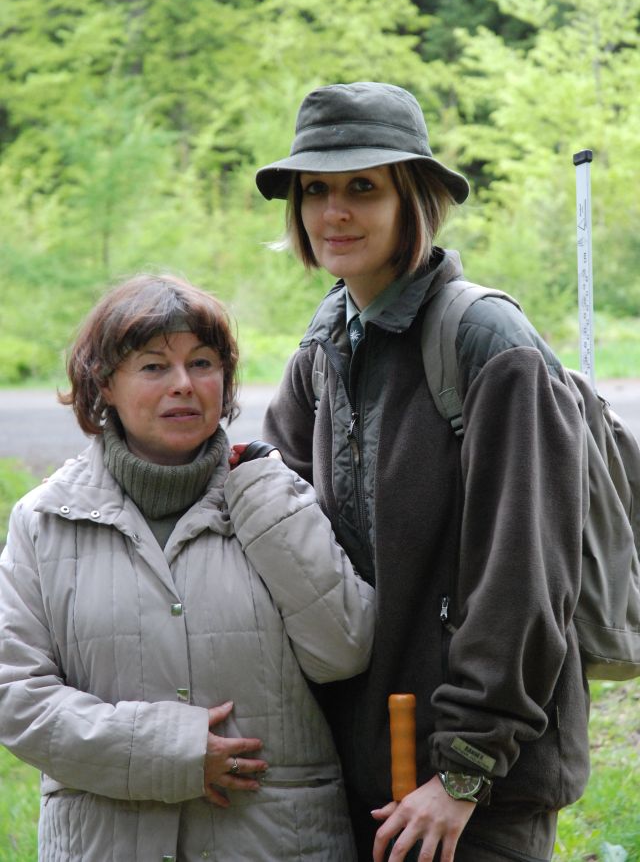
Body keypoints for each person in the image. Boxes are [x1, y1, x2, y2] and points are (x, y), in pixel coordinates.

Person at [254, 82, 590, 862]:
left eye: (362, 188)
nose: (334, 212)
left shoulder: (487, 342)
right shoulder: (323, 348)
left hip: (472, 794)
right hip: (358, 773)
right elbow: (272, 526)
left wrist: (464, 769)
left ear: (416, 200)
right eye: (315, 191)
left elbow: (527, 575)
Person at [0, 273, 375, 862]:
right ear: (105, 384)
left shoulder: (275, 495)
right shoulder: (44, 519)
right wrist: (169, 751)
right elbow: (15, 695)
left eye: (202, 363)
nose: (183, 384)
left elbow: (345, 650)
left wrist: (268, 504)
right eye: (153, 366)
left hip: (276, 844)